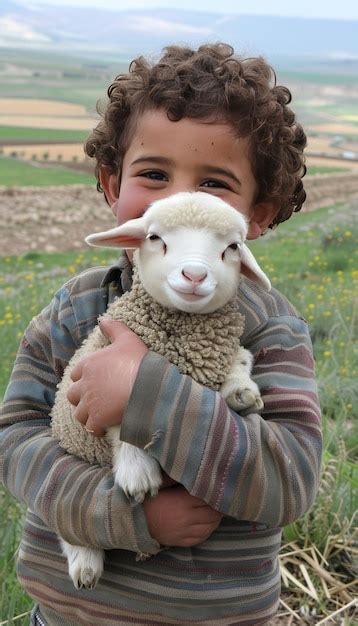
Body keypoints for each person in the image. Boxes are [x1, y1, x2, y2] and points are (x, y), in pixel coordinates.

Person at [0, 43, 321, 626]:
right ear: (110, 184)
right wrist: (125, 519)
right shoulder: (77, 309)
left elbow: (289, 483)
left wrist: (146, 393)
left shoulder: (270, 328)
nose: (181, 201)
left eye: (215, 183)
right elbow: (16, 437)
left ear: (257, 215)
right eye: (153, 174)